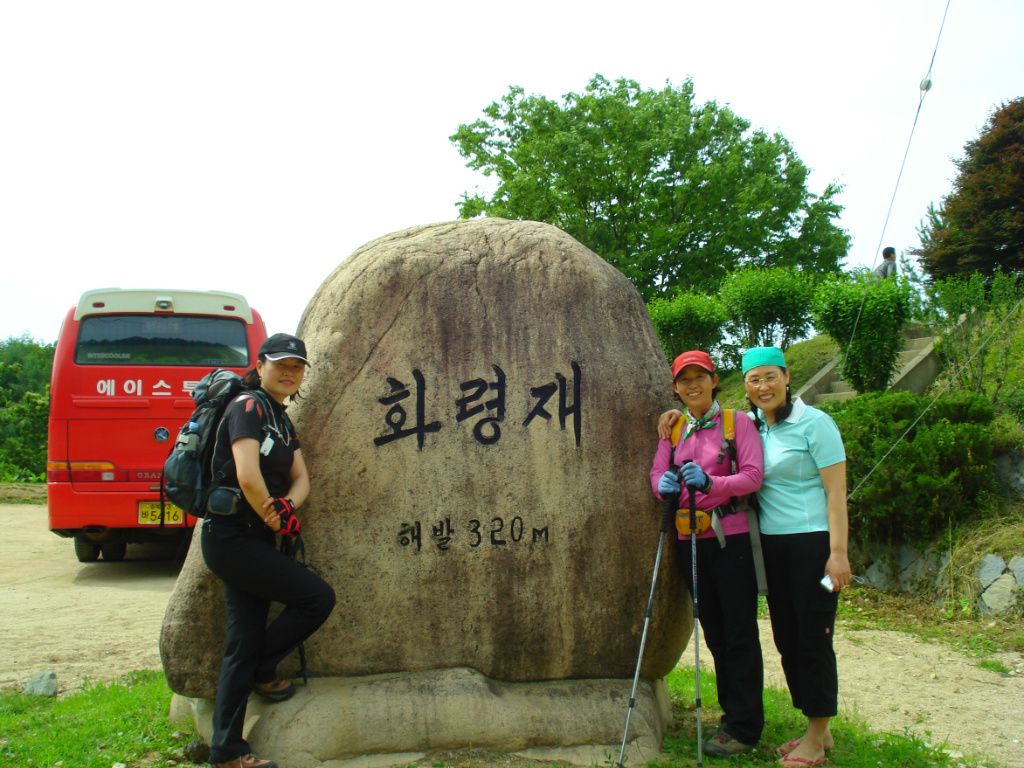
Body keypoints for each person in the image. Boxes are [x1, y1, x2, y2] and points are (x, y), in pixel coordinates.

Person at [658, 347, 851, 768]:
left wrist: (838, 553)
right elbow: (684, 460)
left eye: (770, 377)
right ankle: (816, 728)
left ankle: (811, 737)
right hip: (772, 544)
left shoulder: (813, 423)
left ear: (785, 377)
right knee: (787, 635)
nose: (763, 386)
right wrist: (671, 429)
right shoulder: (757, 425)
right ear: (744, 386)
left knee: (812, 636)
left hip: (811, 543)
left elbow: (833, 491)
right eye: (754, 380)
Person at [201, 333, 336, 768]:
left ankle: (225, 751)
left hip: (255, 537)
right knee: (317, 597)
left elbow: (302, 479)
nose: (289, 373)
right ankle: (262, 669)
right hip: (231, 537)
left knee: (240, 642)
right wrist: (273, 515)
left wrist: (286, 506)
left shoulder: (280, 419)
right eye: (281, 364)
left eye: (297, 367)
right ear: (260, 365)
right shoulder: (247, 407)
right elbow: (246, 473)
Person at [650, 350, 765, 757]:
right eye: (684, 380)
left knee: (738, 632)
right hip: (688, 540)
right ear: (676, 387)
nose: (692, 385)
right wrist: (660, 485)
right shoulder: (675, 427)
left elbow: (752, 477)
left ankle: (746, 726)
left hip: (729, 539)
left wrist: (712, 484)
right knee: (715, 632)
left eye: (701, 377)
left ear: (715, 380)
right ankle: (732, 714)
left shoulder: (739, 423)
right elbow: (657, 469)